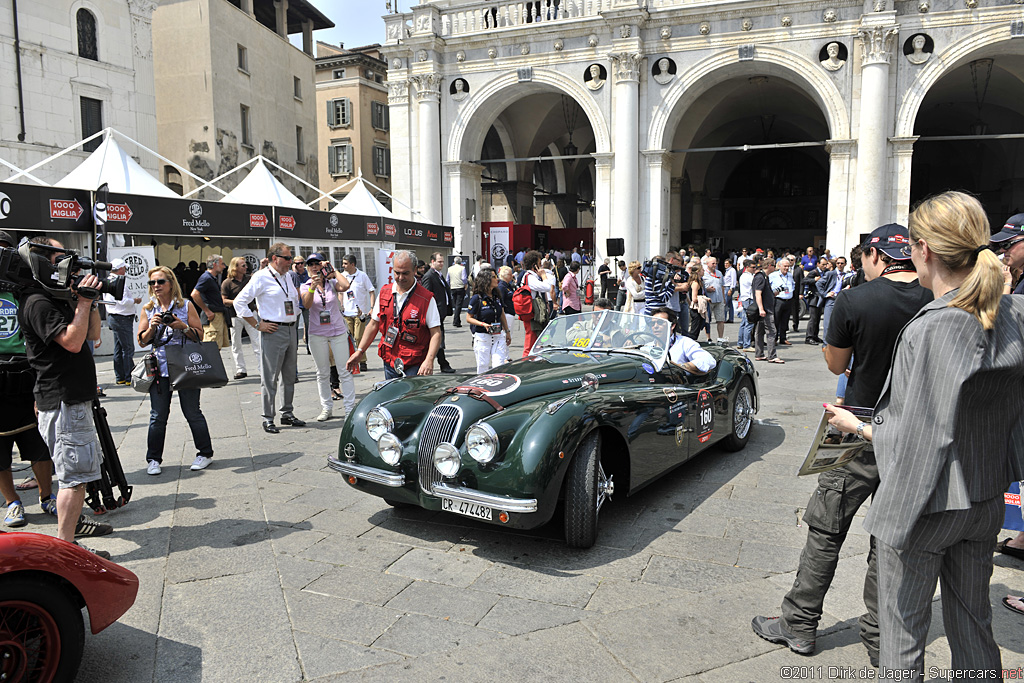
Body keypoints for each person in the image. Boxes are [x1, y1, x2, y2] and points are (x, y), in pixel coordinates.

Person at [823, 192, 1023, 679]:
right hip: (984, 495)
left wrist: (860, 426)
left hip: (926, 504)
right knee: (974, 621)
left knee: (902, 632)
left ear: (923, 249)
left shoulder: (931, 328)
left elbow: (918, 437)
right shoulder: (1014, 312)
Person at [751, 223, 931, 666]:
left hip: (856, 426)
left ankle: (799, 624)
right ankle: (879, 633)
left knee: (826, 527)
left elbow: (836, 361)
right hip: (912, 435)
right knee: (889, 541)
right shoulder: (937, 297)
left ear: (875, 255)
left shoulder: (855, 299)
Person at [18, 237, 112, 555]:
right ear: (43, 263)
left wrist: (89, 301)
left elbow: (93, 335)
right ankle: (65, 550)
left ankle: (67, 542)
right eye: (60, 258)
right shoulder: (37, 302)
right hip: (64, 401)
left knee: (78, 476)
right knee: (73, 479)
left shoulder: (56, 298)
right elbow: (72, 342)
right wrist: (82, 304)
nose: (68, 265)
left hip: (70, 399)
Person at [0, 230, 57, 528]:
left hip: (26, 372)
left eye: (4, 252)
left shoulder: (25, 288)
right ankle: (12, 503)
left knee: (38, 443)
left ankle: (47, 496)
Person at [137, 265, 215, 475]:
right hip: (160, 368)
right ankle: (153, 459)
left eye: (160, 281)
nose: (156, 286)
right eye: (152, 282)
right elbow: (142, 341)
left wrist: (182, 326)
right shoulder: (148, 308)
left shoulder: (186, 305)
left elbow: (199, 335)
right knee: (157, 416)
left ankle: (205, 453)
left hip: (184, 365)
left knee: (192, 412)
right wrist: (152, 327)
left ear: (171, 284)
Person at [234, 242, 306, 434]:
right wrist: (257, 324)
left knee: (290, 375)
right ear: (275, 258)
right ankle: (268, 417)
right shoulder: (261, 277)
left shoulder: (288, 276)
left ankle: (287, 413)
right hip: (273, 330)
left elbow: (292, 301)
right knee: (270, 377)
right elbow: (239, 302)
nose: (290, 261)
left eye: (291, 258)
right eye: (287, 258)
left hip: (291, 329)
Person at [347, 250, 442, 378]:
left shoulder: (426, 298)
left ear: (415, 270)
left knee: (410, 398)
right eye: (397, 273)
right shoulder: (385, 292)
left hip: (415, 364)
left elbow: (436, 332)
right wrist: (360, 351)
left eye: (405, 273)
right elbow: (373, 325)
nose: (400, 278)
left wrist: (429, 360)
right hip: (390, 361)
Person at [299, 253, 354, 422]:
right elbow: (307, 305)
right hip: (317, 333)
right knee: (322, 372)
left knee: (344, 370)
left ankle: (349, 409)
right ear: (307, 268)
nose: (314, 267)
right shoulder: (305, 286)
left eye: (317, 264)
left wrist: (334, 270)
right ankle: (326, 407)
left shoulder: (331, 283)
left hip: (337, 331)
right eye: (311, 264)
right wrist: (312, 287)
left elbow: (345, 285)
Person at [221, 257, 262, 380]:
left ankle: (262, 368)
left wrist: (255, 307)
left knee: (256, 341)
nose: (246, 268)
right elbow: (223, 300)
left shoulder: (249, 279)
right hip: (234, 315)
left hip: (250, 313)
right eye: (243, 266)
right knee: (236, 343)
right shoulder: (227, 282)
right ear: (235, 268)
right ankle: (240, 369)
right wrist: (238, 302)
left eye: (246, 266)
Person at [103, 258, 141, 385]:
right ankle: (129, 375)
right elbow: (122, 301)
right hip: (122, 317)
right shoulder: (120, 282)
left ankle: (120, 377)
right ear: (120, 269)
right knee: (128, 348)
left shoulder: (108, 280)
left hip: (114, 316)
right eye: (124, 268)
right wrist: (135, 300)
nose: (125, 270)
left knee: (119, 348)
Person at [466, 268, 512, 373]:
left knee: (499, 365)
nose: (497, 279)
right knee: (483, 366)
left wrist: (507, 331)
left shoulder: (497, 296)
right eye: (494, 277)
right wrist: (483, 324)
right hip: (482, 337)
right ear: (486, 279)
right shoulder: (477, 298)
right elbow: (468, 318)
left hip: (498, 335)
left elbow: (502, 314)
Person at [420, 252, 455, 374]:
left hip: (441, 312)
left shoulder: (439, 275)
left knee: (438, 337)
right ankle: (442, 364)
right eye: (439, 261)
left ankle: (442, 363)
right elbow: (426, 295)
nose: (441, 264)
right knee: (437, 337)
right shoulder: (429, 276)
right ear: (432, 262)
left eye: (442, 262)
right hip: (434, 313)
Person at [652, 308, 715, 375]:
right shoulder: (647, 346)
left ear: (672, 325)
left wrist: (679, 367)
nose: (655, 326)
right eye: (653, 323)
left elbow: (708, 360)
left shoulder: (685, 343)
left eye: (660, 322)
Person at [340, 254, 375, 373]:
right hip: (346, 313)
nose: (343, 266)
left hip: (360, 313)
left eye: (345, 263)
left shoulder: (362, 276)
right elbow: (340, 293)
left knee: (359, 337)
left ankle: (363, 361)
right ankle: (350, 361)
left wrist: (371, 308)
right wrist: (341, 305)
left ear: (352, 264)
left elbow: (371, 291)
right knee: (348, 338)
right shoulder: (342, 276)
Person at [519, 251, 554, 356]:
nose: (541, 266)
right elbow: (547, 287)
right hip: (532, 312)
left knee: (535, 340)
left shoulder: (531, 276)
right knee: (531, 341)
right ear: (534, 265)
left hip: (534, 311)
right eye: (539, 263)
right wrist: (544, 276)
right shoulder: (530, 277)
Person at [190, 254, 229, 350]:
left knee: (216, 346)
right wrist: (207, 311)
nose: (224, 267)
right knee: (211, 347)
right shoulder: (206, 277)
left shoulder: (211, 278)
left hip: (217, 315)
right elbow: (194, 294)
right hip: (212, 316)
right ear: (215, 264)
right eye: (222, 264)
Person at [752, 257, 782, 363]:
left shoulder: (764, 277)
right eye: (774, 265)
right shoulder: (760, 277)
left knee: (760, 332)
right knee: (772, 331)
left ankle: (759, 354)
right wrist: (761, 309)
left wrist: (773, 294)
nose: (775, 267)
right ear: (769, 266)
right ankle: (772, 356)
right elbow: (758, 293)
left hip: (765, 309)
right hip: (765, 310)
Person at [770, 257, 795, 345]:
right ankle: (774, 338)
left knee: (785, 320)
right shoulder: (773, 275)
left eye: (788, 266)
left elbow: (793, 284)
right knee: (776, 320)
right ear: (780, 266)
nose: (787, 268)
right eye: (785, 266)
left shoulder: (790, 275)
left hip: (788, 300)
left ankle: (783, 338)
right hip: (778, 300)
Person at [803, 257, 827, 345]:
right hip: (813, 298)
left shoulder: (825, 272)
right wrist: (814, 280)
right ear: (818, 264)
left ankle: (815, 336)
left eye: (825, 264)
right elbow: (804, 280)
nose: (824, 266)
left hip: (820, 298)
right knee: (813, 319)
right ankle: (809, 337)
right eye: (823, 264)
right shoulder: (814, 272)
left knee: (817, 318)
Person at [702, 257, 727, 342]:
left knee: (721, 320)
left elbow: (722, 286)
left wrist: (724, 298)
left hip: (719, 299)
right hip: (709, 300)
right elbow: (701, 287)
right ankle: (708, 338)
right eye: (713, 263)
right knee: (707, 320)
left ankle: (720, 338)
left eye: (715, 263)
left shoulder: (719, 273)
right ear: (707, 264)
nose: (714, 265)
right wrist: (707, 289)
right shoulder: (704, 274)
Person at [290, 256, 310, 355]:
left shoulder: (308, 273)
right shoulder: (291, 275)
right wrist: (294, 272)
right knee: (295, 327)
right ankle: (294, 348)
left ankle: (309, 347)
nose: (300, 265)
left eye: (301, 263)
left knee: (309, 325)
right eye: (297, 264)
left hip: (307, 302)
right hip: (296, 304)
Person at [686, 261, 709, 341]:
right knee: (694, 330)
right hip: (696, 309)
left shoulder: (700, 281)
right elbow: (694, 298)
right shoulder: (695, 283)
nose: (704, 271)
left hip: (698, 308)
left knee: (698, 327)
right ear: (698, 272)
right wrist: (704, 298)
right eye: (702, 270)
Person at [736, 259, 756, 351]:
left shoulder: (745, 276)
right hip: (748, 299)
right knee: (749, 322)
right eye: (753, 267)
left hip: (745, 299)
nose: (754, 269)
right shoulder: (747, 276)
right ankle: (746, 345)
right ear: (747, 267)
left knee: (744, 322)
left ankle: (740, 343)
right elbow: (755, 284)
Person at [447, 256, 468, 327]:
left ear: (454, 262)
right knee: (459, 305)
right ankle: (456, 321)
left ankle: (457, 320)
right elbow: (464, 278)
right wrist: (465, 284)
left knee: (456, 304)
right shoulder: (462, 268)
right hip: (460, 287)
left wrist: (449, 285)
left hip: (453, 287)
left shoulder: (449, 269)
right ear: (461, 262)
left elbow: (447, 279)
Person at [722, 258, 737, 324]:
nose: (726, 265)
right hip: (726, 287)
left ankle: (724, 318)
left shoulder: (732, 270)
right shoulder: (727, 271)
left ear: (730, 264)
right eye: (725, 263)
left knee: (725, 303)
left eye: (727, 263)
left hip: (729, 287)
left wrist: (731, 289)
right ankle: (730, 318)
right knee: (730, 304)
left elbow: (733, 280)